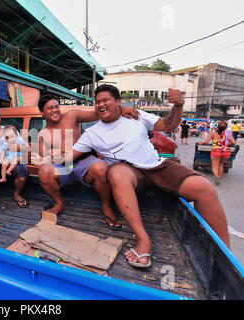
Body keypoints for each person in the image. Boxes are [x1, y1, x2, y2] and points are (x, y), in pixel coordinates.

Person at [72, 84, 230, 268]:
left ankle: (226, 258)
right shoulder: (92, 133)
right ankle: (143, 240)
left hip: (157, 165)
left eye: (106, 100)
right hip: (129, 173)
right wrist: (45, 158)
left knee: (204, 187)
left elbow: (169, 124)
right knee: (116, 172)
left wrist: (178, 106)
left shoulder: (135, 115)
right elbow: (69, 156)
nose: (100, 104)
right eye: (97, 102)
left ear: (118, 102)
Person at [32, 93, 139, 228]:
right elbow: (43, 157)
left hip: (84, 162)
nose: (55, 110)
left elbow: (99, 113)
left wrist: (121, 108)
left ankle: (106, 207)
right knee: (44, 171)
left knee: (101, 168)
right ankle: (59, 203)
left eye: (56, 106)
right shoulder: (43, 133)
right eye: (50, 108)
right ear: (42, 112)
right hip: (63, 167)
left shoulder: (72, 115)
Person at [200, 120, 236, 185]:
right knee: (221, 164)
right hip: (226, 151)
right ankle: (219, 177)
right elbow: (233, 142)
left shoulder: (213, 132)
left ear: (217, 126)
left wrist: (201, 143)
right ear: (226, 127)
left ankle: (216, 176)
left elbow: (206, 142)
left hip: (216, 151)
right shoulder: (229, 132)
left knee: (214, 166)